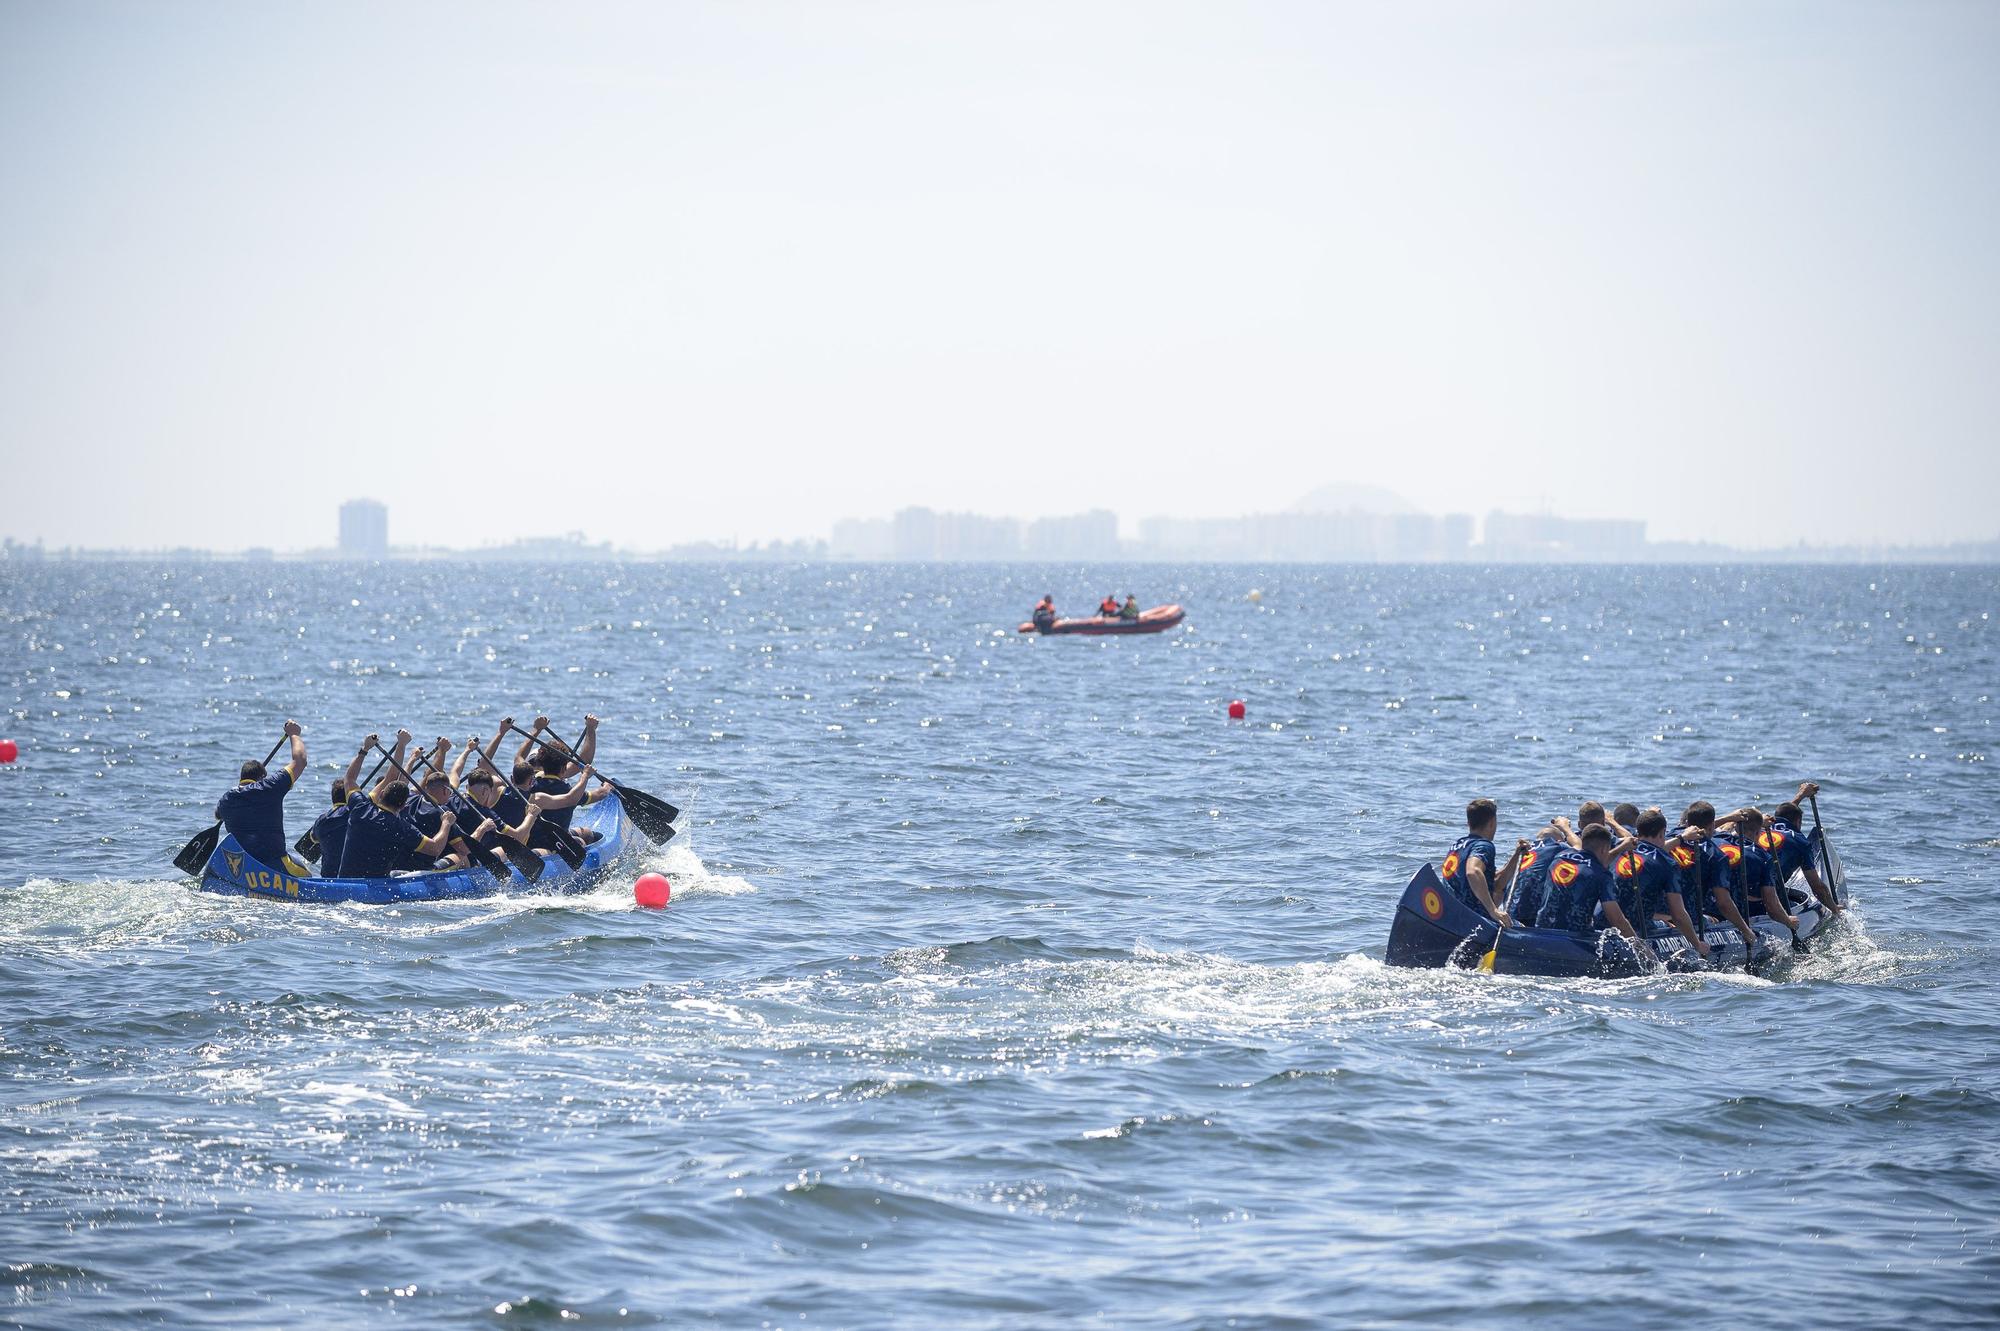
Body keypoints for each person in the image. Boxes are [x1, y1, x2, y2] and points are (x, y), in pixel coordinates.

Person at [1611, 808, 1710, 961]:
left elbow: (1650, 851)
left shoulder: (1618, 849)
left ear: (1638, 830)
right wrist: (1697, 943)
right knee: (1673, 922)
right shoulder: (1668, 863)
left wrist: (1681, 838)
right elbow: (1678, 915)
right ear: (1663, 831)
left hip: (1604, 924)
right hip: (1637, 930)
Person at [214, 720, 308, 872]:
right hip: (275, 865)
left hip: (244, 868)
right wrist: (294, 734)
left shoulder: (226, 800)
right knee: (306, 872)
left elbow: (218, 815)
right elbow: (300, 761)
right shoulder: (270, 787)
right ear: (262, 777)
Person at [1535, 824, 1644, 945]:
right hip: (1574, 939)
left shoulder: (1559, 857)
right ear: (1604, 850)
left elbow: (1591, 864)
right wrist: (1642, 949)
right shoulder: (1602, 875)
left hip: (1542, 931)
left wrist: (1621, 848)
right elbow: (1617, 921)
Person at [1675, 800, 1758, 957]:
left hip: (1664, 913)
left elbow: (1702, 827)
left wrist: (1727, 818)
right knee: (1712, 918)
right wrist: (1745, 930)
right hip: (1691, 918)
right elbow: (1724, 903)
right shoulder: (1716, 855)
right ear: (1712, 825)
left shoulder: (1672, 837)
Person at [338, 778, 455, 878]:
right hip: (377, 885)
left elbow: (349, 779)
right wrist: (446, 823)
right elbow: (435, 849)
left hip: (345, 879)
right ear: (404, 806)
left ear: (382, 794)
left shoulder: (361, 807)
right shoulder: (402, 827)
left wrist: (363, 752)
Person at [1763, 782, 1841, 917]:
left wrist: (1802, 794)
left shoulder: (1759, 827)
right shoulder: (1800, 842)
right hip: (1768, 896)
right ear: (1799, 822)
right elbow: (1817, 887)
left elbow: (1785, 813)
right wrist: (1834, 910)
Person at [1440, 798, 1521, 925]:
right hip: (1475, 919)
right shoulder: (1484, 846)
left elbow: (1497, 885)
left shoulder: (1457, 846)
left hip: (1452, 915)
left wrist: (1516, 855)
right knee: (1521, 927)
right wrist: (1493, 910)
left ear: (1468, 823)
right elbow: (1473, 872)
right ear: (1492, 823)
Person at [309, 732, 379, 878]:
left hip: (328, 879)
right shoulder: (361, 810)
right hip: (357, 877)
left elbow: (313, 838)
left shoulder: (322, 821)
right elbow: (388, 781)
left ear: (333, 798)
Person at [1504, 818, 1573, 929]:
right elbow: (1581, 850)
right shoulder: (1558, 846)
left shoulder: (1522, 852)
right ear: (1560, 841)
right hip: (1531, 919)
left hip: (1510, 914)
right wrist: (1566, 829)